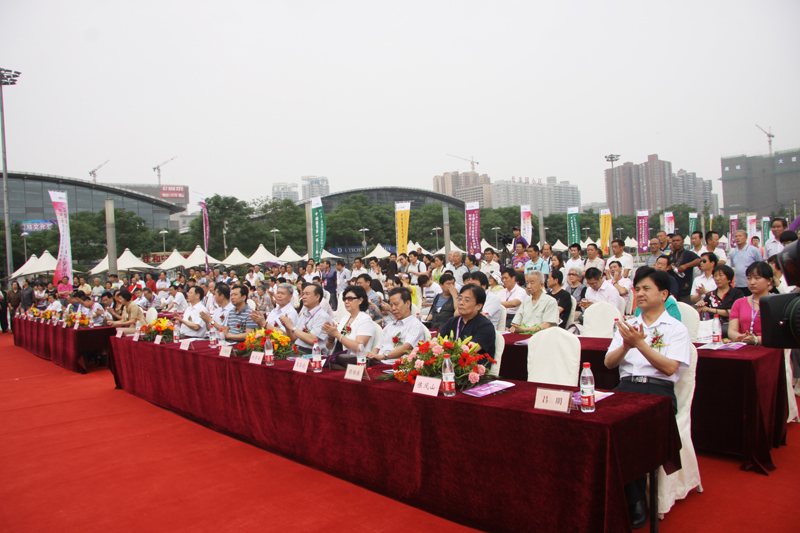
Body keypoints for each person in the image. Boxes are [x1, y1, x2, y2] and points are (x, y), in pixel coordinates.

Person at [605, 267, 691, 529]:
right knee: (601, 427)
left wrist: (640, 344)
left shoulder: (676, 328)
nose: (640, 293)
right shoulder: (628, 326)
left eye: (646, 288)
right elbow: (609, 363)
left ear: (663, 294)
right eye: (637, 289)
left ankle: (635, 501)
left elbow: (670, 368)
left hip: (657, 392)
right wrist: (625, 345)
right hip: (626, 387)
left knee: (632, 433)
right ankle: (612, 495)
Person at [367, 287, 427, 362]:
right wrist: (371, 356)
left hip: (396, 365)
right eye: (391, 305)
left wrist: (383, 356)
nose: (393, 308)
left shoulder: (415, 325)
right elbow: (377, 348)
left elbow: (407, 347)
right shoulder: (389, 326)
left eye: (396, 304)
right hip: (380, 362)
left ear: (408, 304)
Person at [439, 284, 496, 358]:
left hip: (473, 363)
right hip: (450, 361)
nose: (461, 303)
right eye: (460, 299)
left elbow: (468, 351)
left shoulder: (485, 326)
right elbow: (435, 341)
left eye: (467, 300)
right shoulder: (452, 321)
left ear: (478, 306)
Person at [728, 262, 773, 346]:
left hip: (770, 348)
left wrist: (757, 339)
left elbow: (780, 334)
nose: (752, 282)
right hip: (746, 348)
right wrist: (742, 337)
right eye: (749, 278)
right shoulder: (739, 303)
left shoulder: (776, 303)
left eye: (757, 278)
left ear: (769, 280)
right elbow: (732, 331)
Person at [323, 285, 375, 355]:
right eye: (345, 299)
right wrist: (331, 337)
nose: (346, 302)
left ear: (360, 300)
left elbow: (359, 347)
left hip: (355, 359)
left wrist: (337, 334)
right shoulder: (344, 319)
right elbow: (330, 347)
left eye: (350, 299)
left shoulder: (365, 320)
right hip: (337, 358)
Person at [282, 284, 329, 354]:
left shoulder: (322, 316)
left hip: (313, 353)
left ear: (317, 297)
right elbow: (294, 339)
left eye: (307, 294)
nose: (303, 297)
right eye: (303, 294)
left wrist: (292, 327)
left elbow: (313, 340)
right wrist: (287, 327)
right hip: (298, 350)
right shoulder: (304, 314)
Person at [696, 265, 743, 335]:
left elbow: (736, 312)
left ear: (729, 278)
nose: (717, 278)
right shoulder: (710, 295)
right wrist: (701, 306)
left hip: (732, 329)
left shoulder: (737, 293)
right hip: (713, 329)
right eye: (715, 276)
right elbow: (700, 311)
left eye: (721, 275)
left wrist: (711, 310)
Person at [668, 233, 701, 304]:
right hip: (673, 289)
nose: (675, 242)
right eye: (674, 241)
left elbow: (699, 260)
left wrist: (686, 266)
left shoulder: (688, 254)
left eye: (678, 240)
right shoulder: (671, 256)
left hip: (685, 289)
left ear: (683, 241)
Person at [729, 229, 763, 296]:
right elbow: (733, 267)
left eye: (740, 236)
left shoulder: (754, 250)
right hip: (738, 284)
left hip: (752, 284)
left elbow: (761, 265)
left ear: (746, 238)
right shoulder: (733, 253)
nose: (738, 238)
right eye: (736, 236)